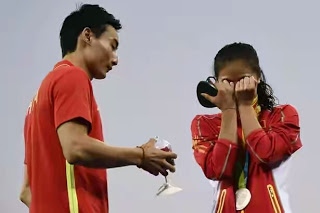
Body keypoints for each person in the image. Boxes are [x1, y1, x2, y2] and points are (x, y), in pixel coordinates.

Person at [19, 4, 177, 213]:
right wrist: (141, 156)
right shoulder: (72, 77)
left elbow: (26, 192)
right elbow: (76, 147)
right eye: (112, 46)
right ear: (88, 36)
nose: (115, 59)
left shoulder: (36, 101)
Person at [191, 42, 302, 213]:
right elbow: (219, 169)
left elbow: (267, 154)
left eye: (243, 80)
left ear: (257, 77)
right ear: (216, 83)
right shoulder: (204, 124)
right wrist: (228, 111)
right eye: (227, 82)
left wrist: (244, 106)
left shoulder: (282, 115)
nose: (236, 88)